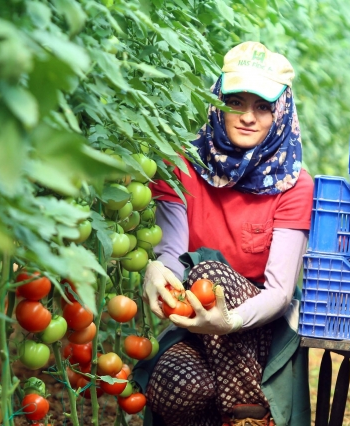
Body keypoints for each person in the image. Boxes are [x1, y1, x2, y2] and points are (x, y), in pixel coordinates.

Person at [138, 41, 314, 426]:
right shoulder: (182, 166)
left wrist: (229, 322)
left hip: (263, 329)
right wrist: (157, 269)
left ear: (280, 114)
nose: (248, 116)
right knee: (178, 385)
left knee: (208, 272)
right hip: (196, 326)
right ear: (217, 102)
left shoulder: (293, 185)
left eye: (263, 107)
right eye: (236, 102)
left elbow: (280, 293)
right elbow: (173, 253)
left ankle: (248, 415)